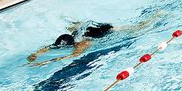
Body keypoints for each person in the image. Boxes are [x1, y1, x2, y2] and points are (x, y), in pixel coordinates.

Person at [27, 16, 160, 65]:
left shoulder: (83, 42)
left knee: (139, 28)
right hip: (89, 27)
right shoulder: (69, 38)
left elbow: (76, 54)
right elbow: (50, 47)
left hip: (107, 30)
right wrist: (35, 55)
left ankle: (155, 17)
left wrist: (49, 61)